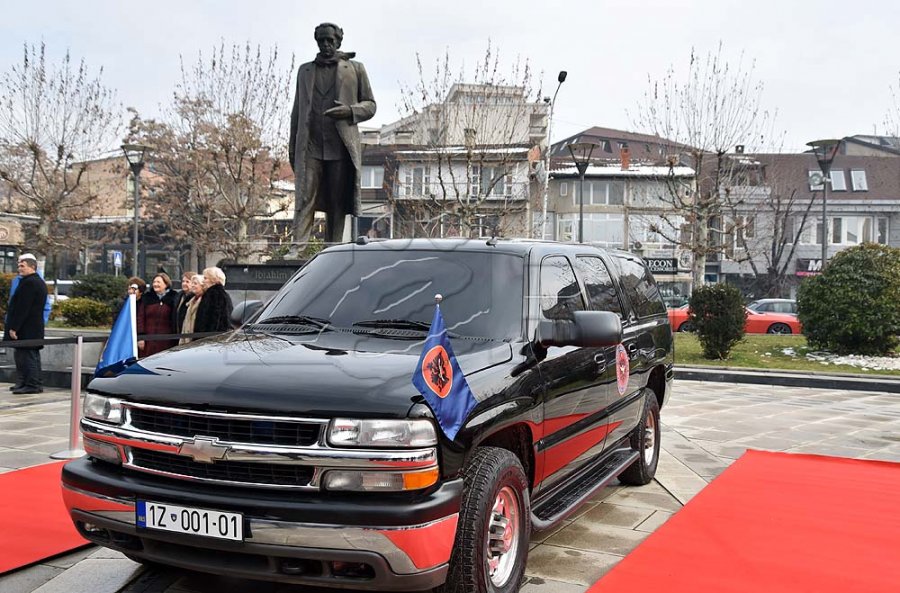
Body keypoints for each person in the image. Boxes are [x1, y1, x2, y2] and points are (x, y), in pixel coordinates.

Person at [290, 22, 376, 245]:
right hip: (311, 145)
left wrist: (349, 111)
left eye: (330, 40)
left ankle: (333, 247)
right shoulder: (305, 70)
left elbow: (370, 105)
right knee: (304, 197)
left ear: (338, 41)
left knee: (336, 203)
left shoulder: (355, 68)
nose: (326, 45)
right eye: (322, 41)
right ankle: (297, 247)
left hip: (340, 146)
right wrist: (293, 150)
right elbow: (296, 114)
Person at [4, 254, 48, 394]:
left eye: (22, 266)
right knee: (25, 356)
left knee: (28, 356)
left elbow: (23, 308)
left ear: (32, 267)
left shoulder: (30, 283)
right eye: (19, 266)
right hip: (30, 327)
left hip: (27, 328)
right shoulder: (32, 281)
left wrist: (14, 328)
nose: (19, 269)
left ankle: (32, 384)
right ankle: (25, 382)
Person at [137, 273, 178, 357]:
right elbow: (140, 318)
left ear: (166, 284)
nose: (155, 284)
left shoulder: (174, 297)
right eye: (154, 282)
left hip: (167, 339)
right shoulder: (147, 298)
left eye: (158, 282)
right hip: (148, 339)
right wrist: (141, 337)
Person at [194, 267, 233, 333]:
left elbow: (216, 320)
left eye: (205, 278)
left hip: (210, 337)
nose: (203, 281)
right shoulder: (216, 294)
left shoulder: (215, 295)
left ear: (214, 280)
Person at [179, 274, 205, 345]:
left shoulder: (204, 301)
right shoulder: (190, 301)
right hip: (187, 338)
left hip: (198, 340)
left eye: (195, 283)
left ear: (202, 285)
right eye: (192, 283)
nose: (193, 285)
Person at [172, 271, 196, 341]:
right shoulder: (179, 296)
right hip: (178, 333)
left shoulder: (195, 297)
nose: (184, 284)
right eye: (183, 281)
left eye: (187, 282)